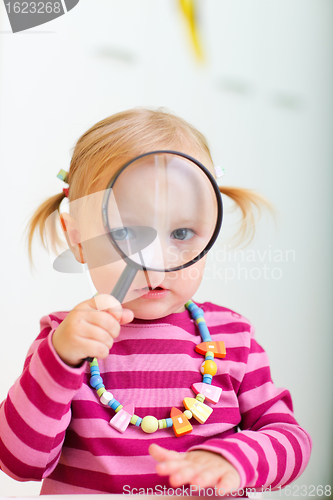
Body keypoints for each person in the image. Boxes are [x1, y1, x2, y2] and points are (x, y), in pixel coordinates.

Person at [0, 108, 311, 496]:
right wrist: (60, 360)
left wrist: (235, 458)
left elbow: (292, 441)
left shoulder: (234, 338)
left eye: (181, 232)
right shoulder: (64, 342)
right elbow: (18, 462)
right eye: (126, 232)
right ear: (77, 239)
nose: (156, 261)